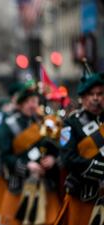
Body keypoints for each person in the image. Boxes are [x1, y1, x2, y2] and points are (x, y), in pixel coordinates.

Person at [0, 81, 61, 225]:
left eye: (34, 101)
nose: (32, 105)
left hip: (44, 186)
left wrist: (52, 159)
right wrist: (27, 166)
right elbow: (5, 156)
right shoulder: (9, 124)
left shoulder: (46, 124)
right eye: (27, 101)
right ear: (20, 103)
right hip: (19, 187)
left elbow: (56, 150)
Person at [55, 72, 104, 225]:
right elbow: (68, 159)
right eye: (91, 94)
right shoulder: (71, 124)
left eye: (100, 94)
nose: (96, 98)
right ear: (82, 98)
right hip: (83, 196)